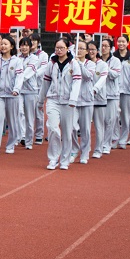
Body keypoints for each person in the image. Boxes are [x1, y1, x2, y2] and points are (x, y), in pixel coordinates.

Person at [37, 37, 82, 170]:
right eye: (57, 48)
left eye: (61, 48)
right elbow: (45, 83)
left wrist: (73, 99)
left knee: (67, 132)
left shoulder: (74, 64)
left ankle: (65, 160)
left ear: (67, 49)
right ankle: (53, 158)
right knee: (53, 129)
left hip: (68, 102)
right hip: (53, 100)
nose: (59, 50)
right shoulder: (51, 64)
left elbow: (77, 83)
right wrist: (40, 100)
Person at [0, 35, 24, 155]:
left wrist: (16, 89)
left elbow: (19, 76)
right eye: (2, 44)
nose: (3, 46)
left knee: (13, 121)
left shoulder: (17, 61)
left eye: (6, 44)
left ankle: (11, 144)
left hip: (12, 95)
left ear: (11, 46)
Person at [72, 40, 98, 164]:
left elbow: (87, 76)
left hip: (87, 100)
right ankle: (74, 149)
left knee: (85, 129)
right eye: (78, 48)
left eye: (82, 48)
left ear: (87, 51)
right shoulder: (71, 63)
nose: (80, 50)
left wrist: (80, 65)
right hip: (74, 100)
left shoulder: (91, 64)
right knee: (71, 126)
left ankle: (85, 152)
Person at [114, 35, 130, 149]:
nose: (121, 44)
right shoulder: (113, 57)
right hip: (114, 91)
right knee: (114, 116)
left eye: (123, 41)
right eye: (119, 41)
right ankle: (114, 138)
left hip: (127, 91)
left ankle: (123, 139)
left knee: (125, 116)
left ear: (127, 43)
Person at [87, 41, 108, 160]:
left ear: (97, 51)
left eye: (93, 49)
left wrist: (95, 89)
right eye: (89, 49)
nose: (91, 51)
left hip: (99, 99)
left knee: (99, 125)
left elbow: (103, 79)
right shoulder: (85, 63)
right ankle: (86, 148)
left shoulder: (103, 65)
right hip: (86, 99)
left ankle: (98, 149)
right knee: (84, 126)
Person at [18, 37, 40, 149]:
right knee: (20, 113)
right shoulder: (17, 58)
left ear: (30, 47)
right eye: (22, 45)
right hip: (18, 90)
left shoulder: (35, 58)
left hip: (31, 90)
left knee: (29, 116)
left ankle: (29, 141)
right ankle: (22, 136)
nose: (24, 47)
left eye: (26, 45)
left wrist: (18, 79)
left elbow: (28, 73)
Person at [30, 33, 49, 144]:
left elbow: (44, 68)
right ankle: (25, 135)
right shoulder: (24, 54)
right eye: (30, 40)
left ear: (38, 42)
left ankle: (39, 134)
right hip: (26, 86)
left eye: (34, 41)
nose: (32, 43)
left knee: (38, 111)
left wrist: (33, 74)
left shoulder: (43, 55)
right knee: (24, 112)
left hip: (38, 86)